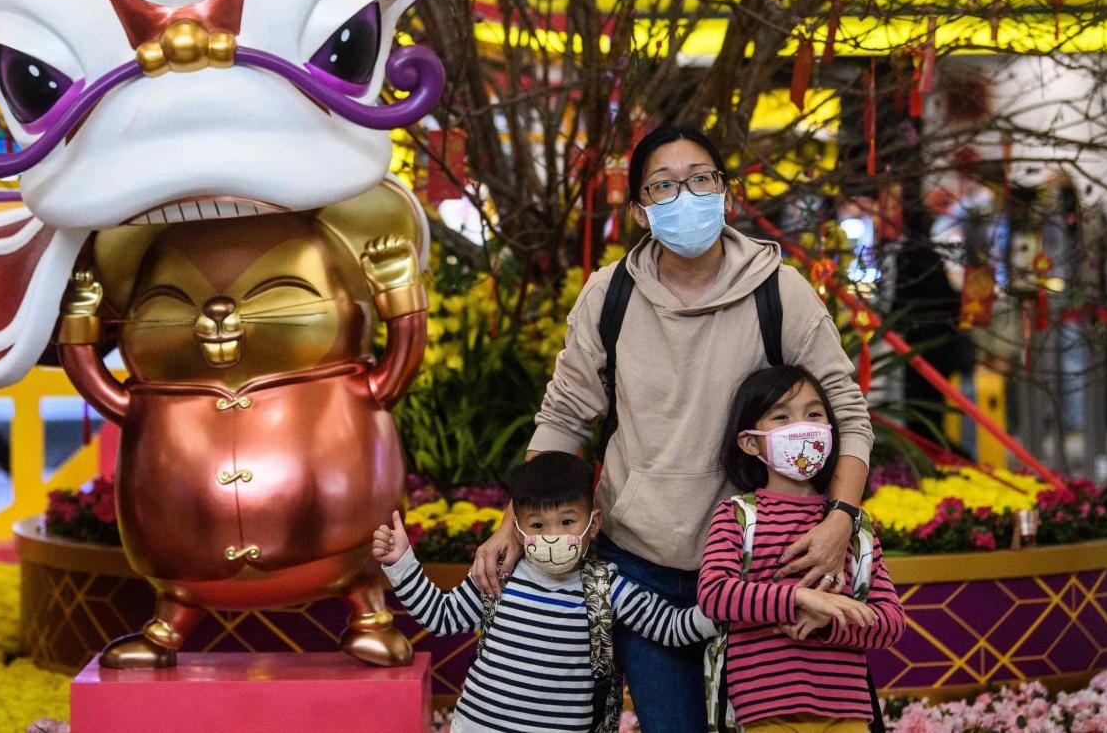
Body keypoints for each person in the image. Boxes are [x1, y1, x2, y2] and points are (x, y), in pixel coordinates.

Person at [471, 125, 874, 731]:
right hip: (641, 565)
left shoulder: (780, 292)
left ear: (727, 195)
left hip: (757, 567)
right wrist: (510, 523)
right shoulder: (609, 296)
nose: (685, 195)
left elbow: (847, 411)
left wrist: (841, 520)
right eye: (663, 186)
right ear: (639, 210)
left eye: (701, 179)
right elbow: (562, 418)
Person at [373, 452, 719, 733]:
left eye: (567, 522)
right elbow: (441, 617)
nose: (552, 536)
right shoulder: (500, 576)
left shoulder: (607, 588)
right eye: (538, 525)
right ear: (519, 529)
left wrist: (724, 604)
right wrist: (401, 561)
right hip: (478, 726)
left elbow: (671, 628)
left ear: (592, 523)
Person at [698, 365, 905, 732]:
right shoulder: (738, 516)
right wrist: (801, 599)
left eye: (813, 414)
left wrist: (829, 621)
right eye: (781, 416)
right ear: (749, 442)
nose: (802, 426)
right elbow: (714, 595)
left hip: (847, 712)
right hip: (765, 713)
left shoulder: (852, 527)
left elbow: (889, 623)